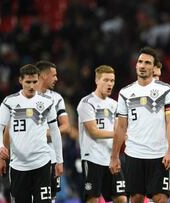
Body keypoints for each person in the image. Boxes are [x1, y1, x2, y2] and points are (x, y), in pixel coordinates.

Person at [110, 47, 170, 203]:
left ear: (154, 68)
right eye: (140, 62)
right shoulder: (125, 92)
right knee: (136, 199)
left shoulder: (166, 90)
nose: (142, 65)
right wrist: (114, 157)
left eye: (147, 63)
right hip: (134, 154)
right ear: (135, 65)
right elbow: (120, 127)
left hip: (159, 155)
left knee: (160, 198)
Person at [0, 64, 63, 202]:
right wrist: (1, 148)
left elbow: (55, 131)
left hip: (42, 163)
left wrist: (60, 161)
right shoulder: (10, 102)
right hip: (18, 166)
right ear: (20, 81)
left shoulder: (47, 102)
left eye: (34, 82)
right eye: (28, 82)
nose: (32, 86)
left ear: (38, 80)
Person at [77, 65, 126, 203]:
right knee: (93, 199)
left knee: (121, 198)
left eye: (112, 80)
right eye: (106, 80)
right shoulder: (86, 103)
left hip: (111, 158)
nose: (110, 84)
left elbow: (119, 128)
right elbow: (94, 132)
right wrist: (119, 135)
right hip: (92, 157)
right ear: (97, 80)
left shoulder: (115, 104)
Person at [35, 60, 71, 201]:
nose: (56, 79)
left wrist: (49, 133)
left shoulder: (56, 98)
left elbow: (66, 126)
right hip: (29, 156)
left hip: (51, 156)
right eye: (54, 75)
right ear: (44, 75)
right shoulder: (26, 97)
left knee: (51, 197)